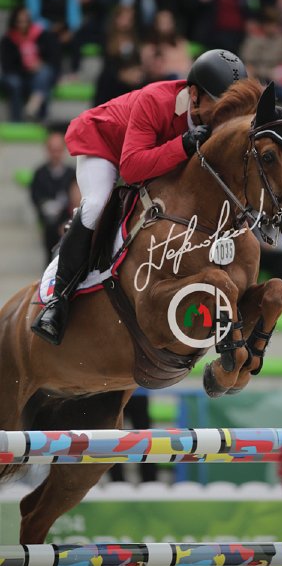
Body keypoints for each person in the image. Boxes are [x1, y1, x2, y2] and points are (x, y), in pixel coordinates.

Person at [31, 48, 248, 345]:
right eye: (219, 104)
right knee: (96, 205)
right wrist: (183, 145)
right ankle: (58, 300)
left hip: (150, 157)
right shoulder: (155, 100)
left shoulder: (211, 120)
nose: (225, 114)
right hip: (105, 146)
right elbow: (131, 169)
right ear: (194, 95)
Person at [0, 6, 60, 121]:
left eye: (25, 21)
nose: (23, 24)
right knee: (15, 82)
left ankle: (34, 108)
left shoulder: (42, 35)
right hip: (17, 75)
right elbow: (7, 67)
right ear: (14, 22)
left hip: (38, 76)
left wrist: (39, 65)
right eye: (19, 21)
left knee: (45, 73)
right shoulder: (8, 40)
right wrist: (27, 68)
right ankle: (17, 119)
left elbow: (53, 59)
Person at [30, 131, 77, 266]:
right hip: (49, 223)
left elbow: (76, 199)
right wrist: (45, 205)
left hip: (67, 220)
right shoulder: (40, 173)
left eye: (58, 150)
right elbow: (35, 196)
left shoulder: (71, 173)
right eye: (52, 150)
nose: (55, 154)